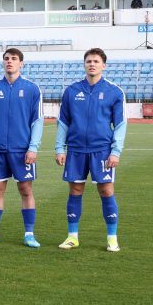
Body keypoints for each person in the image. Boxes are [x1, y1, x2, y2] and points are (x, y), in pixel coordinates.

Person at [55, 48, 126, 252]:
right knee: (75, 190)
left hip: (102, 150)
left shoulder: (114, 92)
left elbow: (120, 124)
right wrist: (60, 148)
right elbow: (63, 122)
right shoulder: (72, 91)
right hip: (76, 150)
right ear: (84, 64)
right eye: (88, 61)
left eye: (96, 61)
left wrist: (115, 151)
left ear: (104, 65)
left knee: (106, 190)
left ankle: (112, 238)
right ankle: (72, 237)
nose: (92, 64)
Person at [0, 48, 43, 247]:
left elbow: (37, 120)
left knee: (26, 189)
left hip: (22, 150)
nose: (9, 61)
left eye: (14, 59)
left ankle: (29, 234)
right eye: (6, 58)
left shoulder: (32, 89)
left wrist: (33, 147)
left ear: (21, 63)